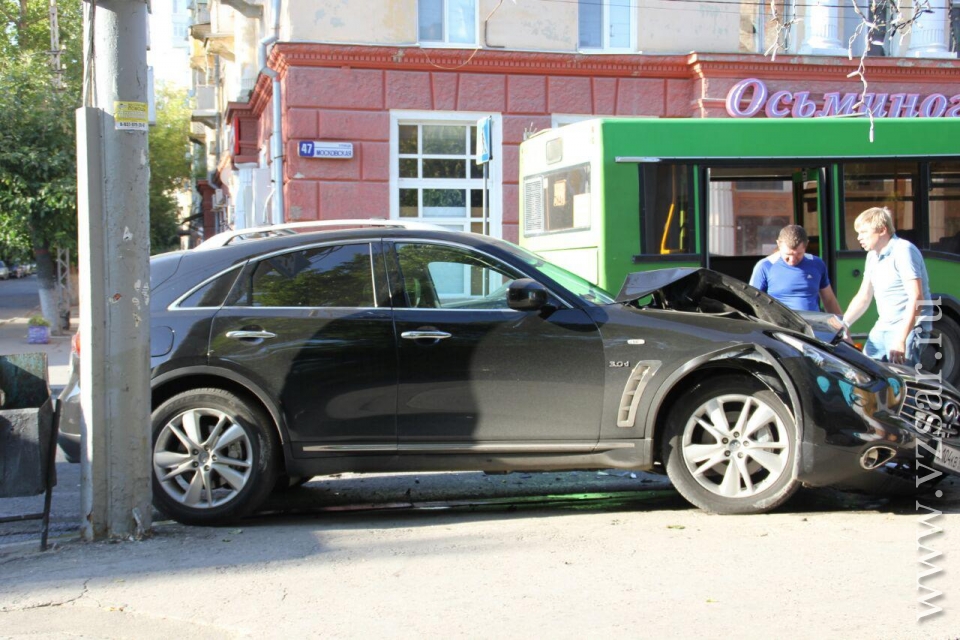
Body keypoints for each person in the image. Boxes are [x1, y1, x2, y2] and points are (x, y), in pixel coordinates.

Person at [841, 206, 932, 367]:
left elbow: (917, 297)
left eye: (864, 232)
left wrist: (901, 339)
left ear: (882, 230)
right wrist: (843, 325)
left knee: (903, 379)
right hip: (883, 326)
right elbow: (864, 297)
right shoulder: (872, 256)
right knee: (866, 372)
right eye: (858, 233)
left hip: (908, 329)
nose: (859, 238)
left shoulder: (904, 251)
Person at [749, 224, 843, 315]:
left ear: (806, 245)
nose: (792, 260)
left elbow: (829, 300)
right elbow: (751, 301)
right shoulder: (765, 266)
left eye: (798, 254)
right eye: (788, 255)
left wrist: (842, 323)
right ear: (779, 244)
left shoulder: (817, 264)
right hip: (780, 324)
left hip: (813, 323)